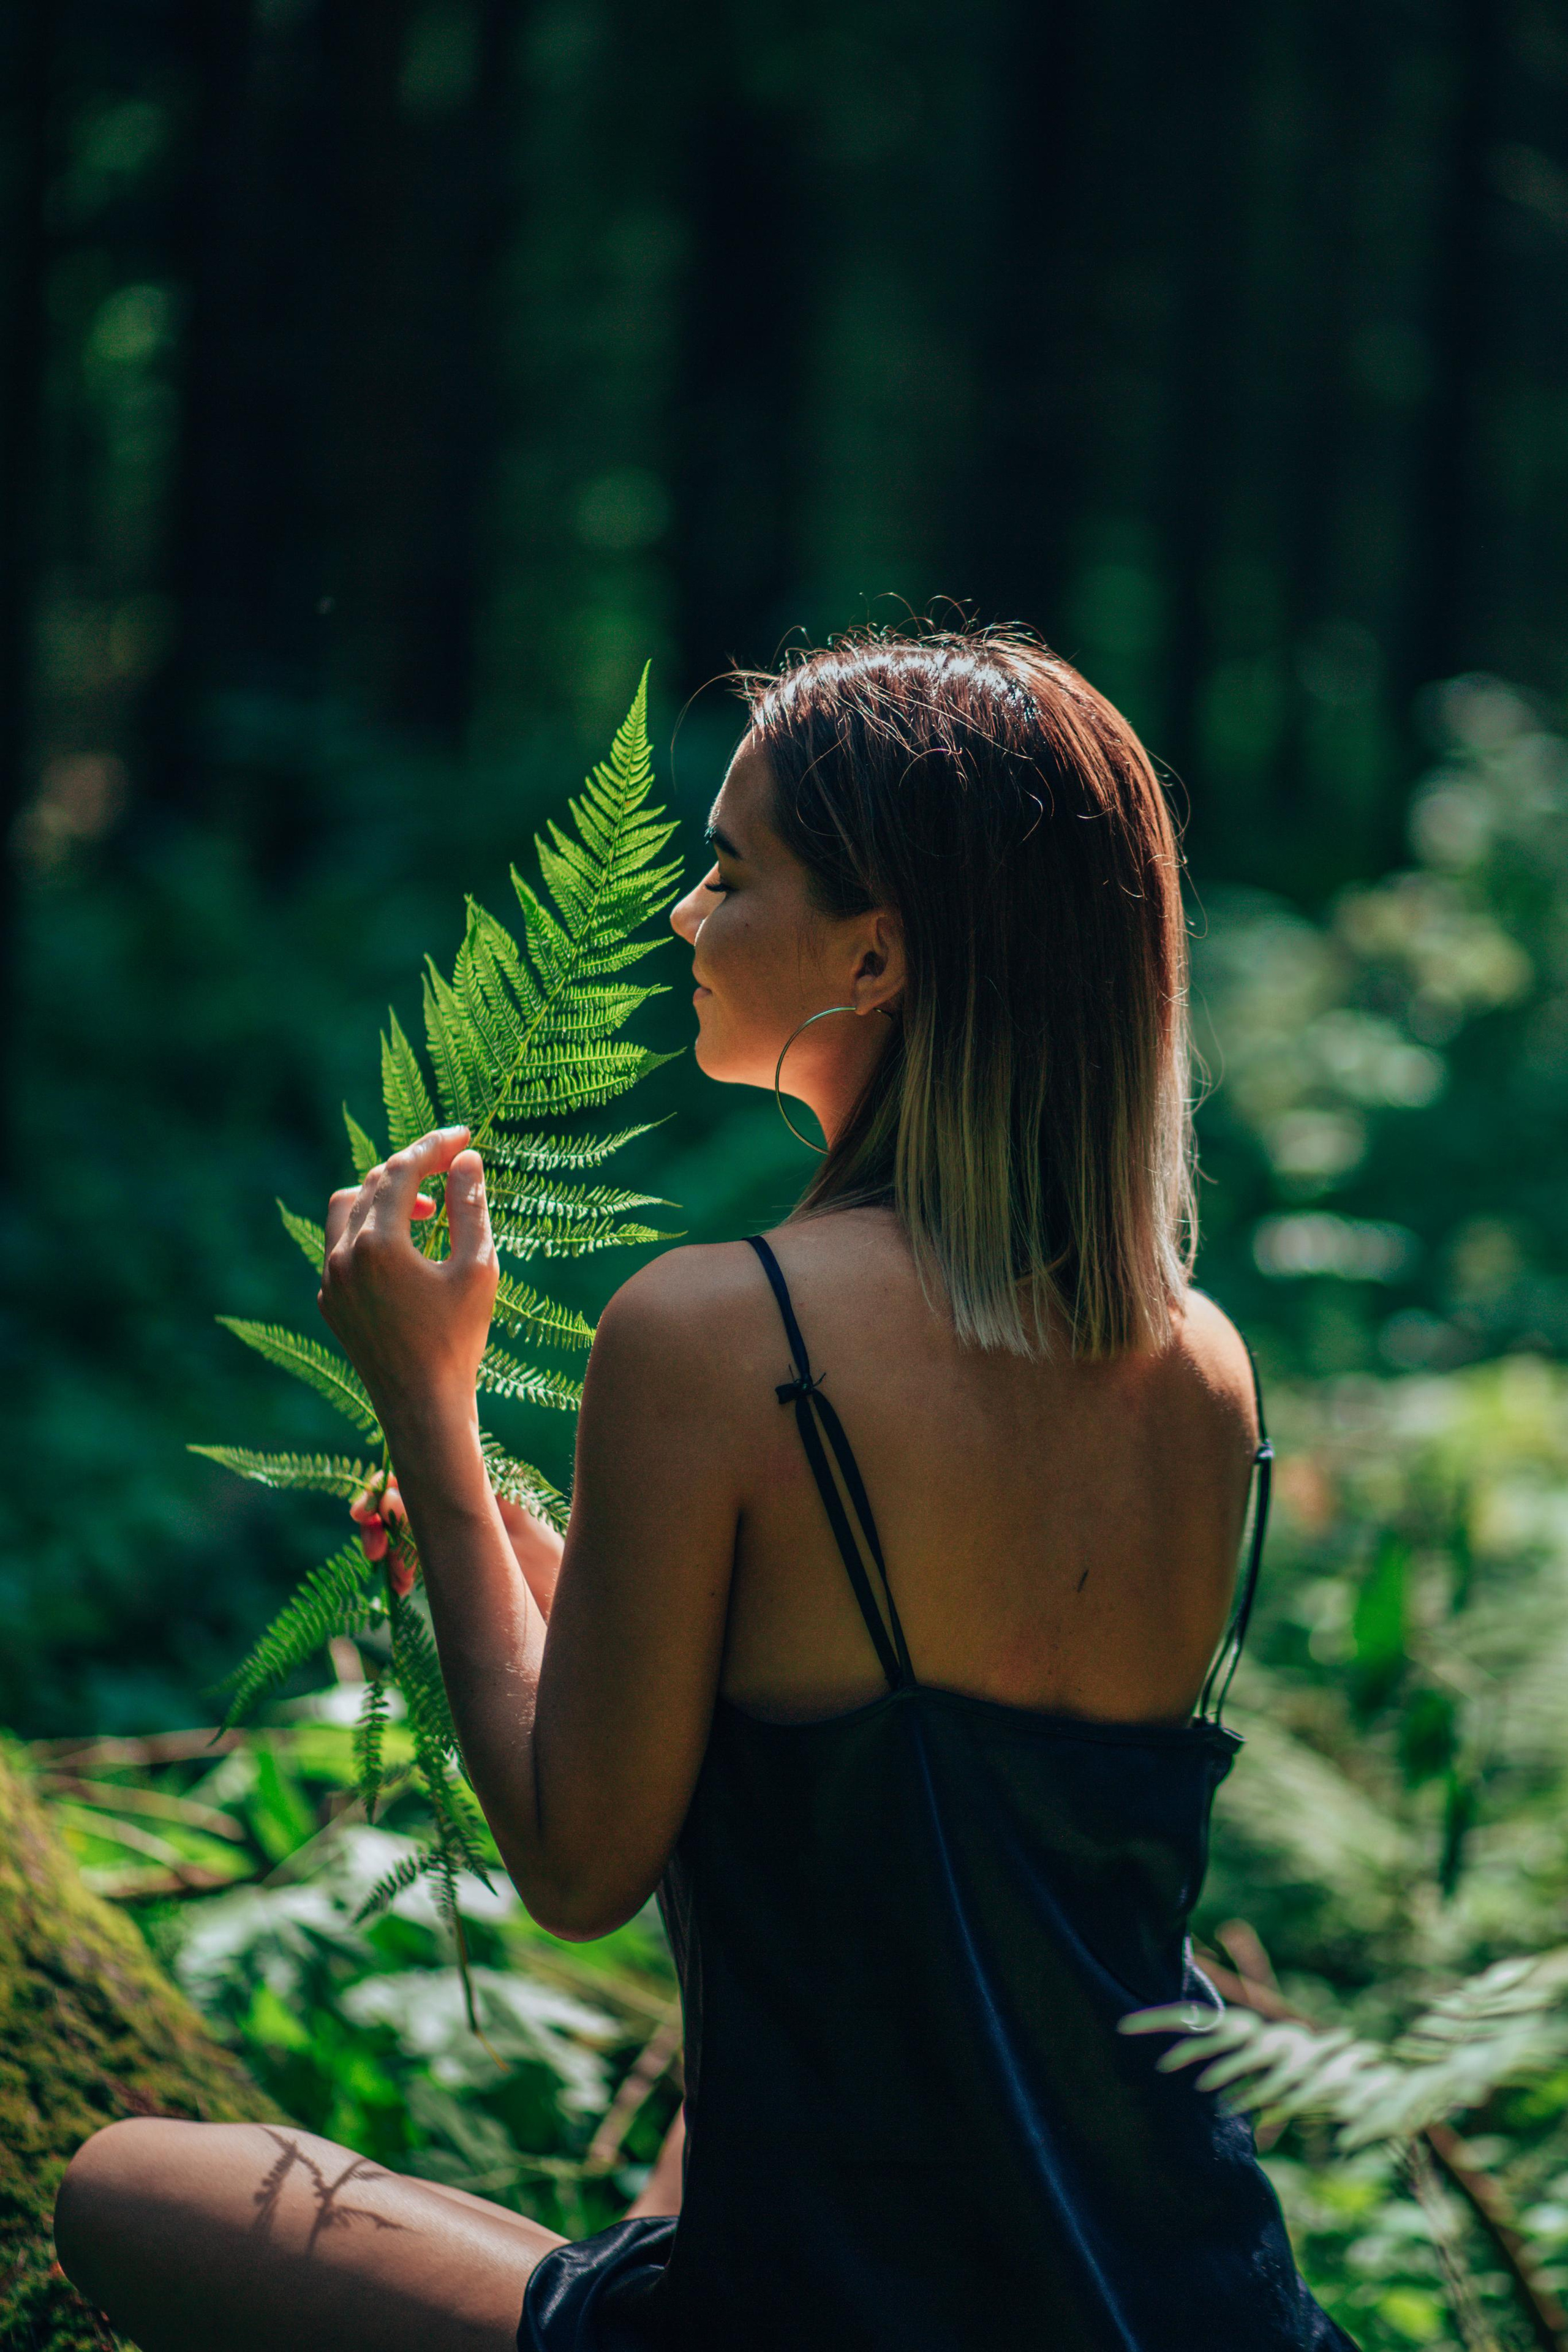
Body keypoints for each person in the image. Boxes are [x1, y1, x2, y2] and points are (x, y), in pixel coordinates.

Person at [55, 628, 1356, 2351]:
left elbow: (582, 1860)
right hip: (1184, 2298)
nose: (684, 914)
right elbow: (922, 1808)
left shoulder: (721, 1332)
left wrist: (433, 1421)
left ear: (874, 951)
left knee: (120, 2190)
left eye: (730, 873)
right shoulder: (1200, 1364)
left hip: (837, 2310)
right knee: (664, 2171)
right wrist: (540, 1568)